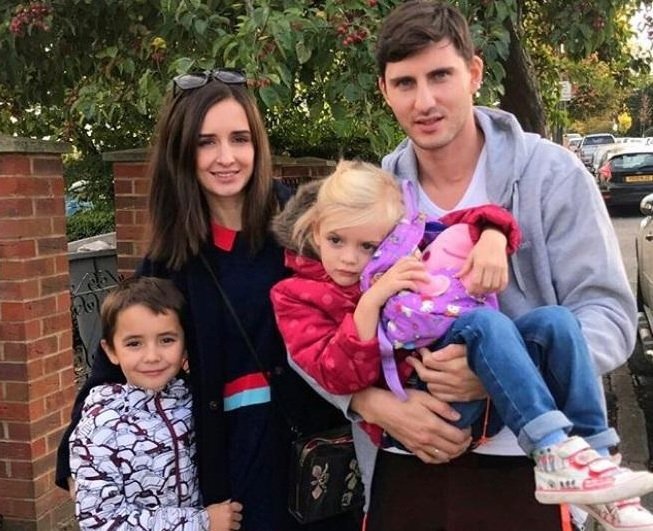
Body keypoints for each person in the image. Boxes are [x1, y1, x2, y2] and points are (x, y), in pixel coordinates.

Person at [284, 2, 642, 530]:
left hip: (525, 469)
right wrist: (370, 404)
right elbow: (306, 323)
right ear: (384, 90)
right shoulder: (375, 194)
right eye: (405, 83)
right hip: (408, 457)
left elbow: (608, 316)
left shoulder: (552, 176)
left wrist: (497, 371)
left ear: (474, 72)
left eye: (440, 76)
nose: (424, 101)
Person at [270, 161, 653, 531]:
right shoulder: (298, 291)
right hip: (420, 410)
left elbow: (463, 221)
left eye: (369, 246)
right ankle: (551, 451)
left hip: (481, 416)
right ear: (316, 232)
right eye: (336, 240)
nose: (351, 258)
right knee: (486, 323)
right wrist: (370, 305)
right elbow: (333, 372)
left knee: (556, 322)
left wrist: (492, 235)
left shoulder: (396, 231)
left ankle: (597, 460)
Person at [56, 68, 360, 531]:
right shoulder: (172, 258)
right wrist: (72, 460)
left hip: (313, 456)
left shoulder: (310, 229)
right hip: (232, 466)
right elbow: (114, 363)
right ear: (183, 151)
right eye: (206, 142)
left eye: (239, 139)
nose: (226, 157)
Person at [70, 276, 243, 530]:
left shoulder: (194, 403)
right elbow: (100, 519)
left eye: (166, 340)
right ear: (111, 351)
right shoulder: (99, 426)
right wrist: (201, 522)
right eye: (134, 343)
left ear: (186, 346)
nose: (152, 356)